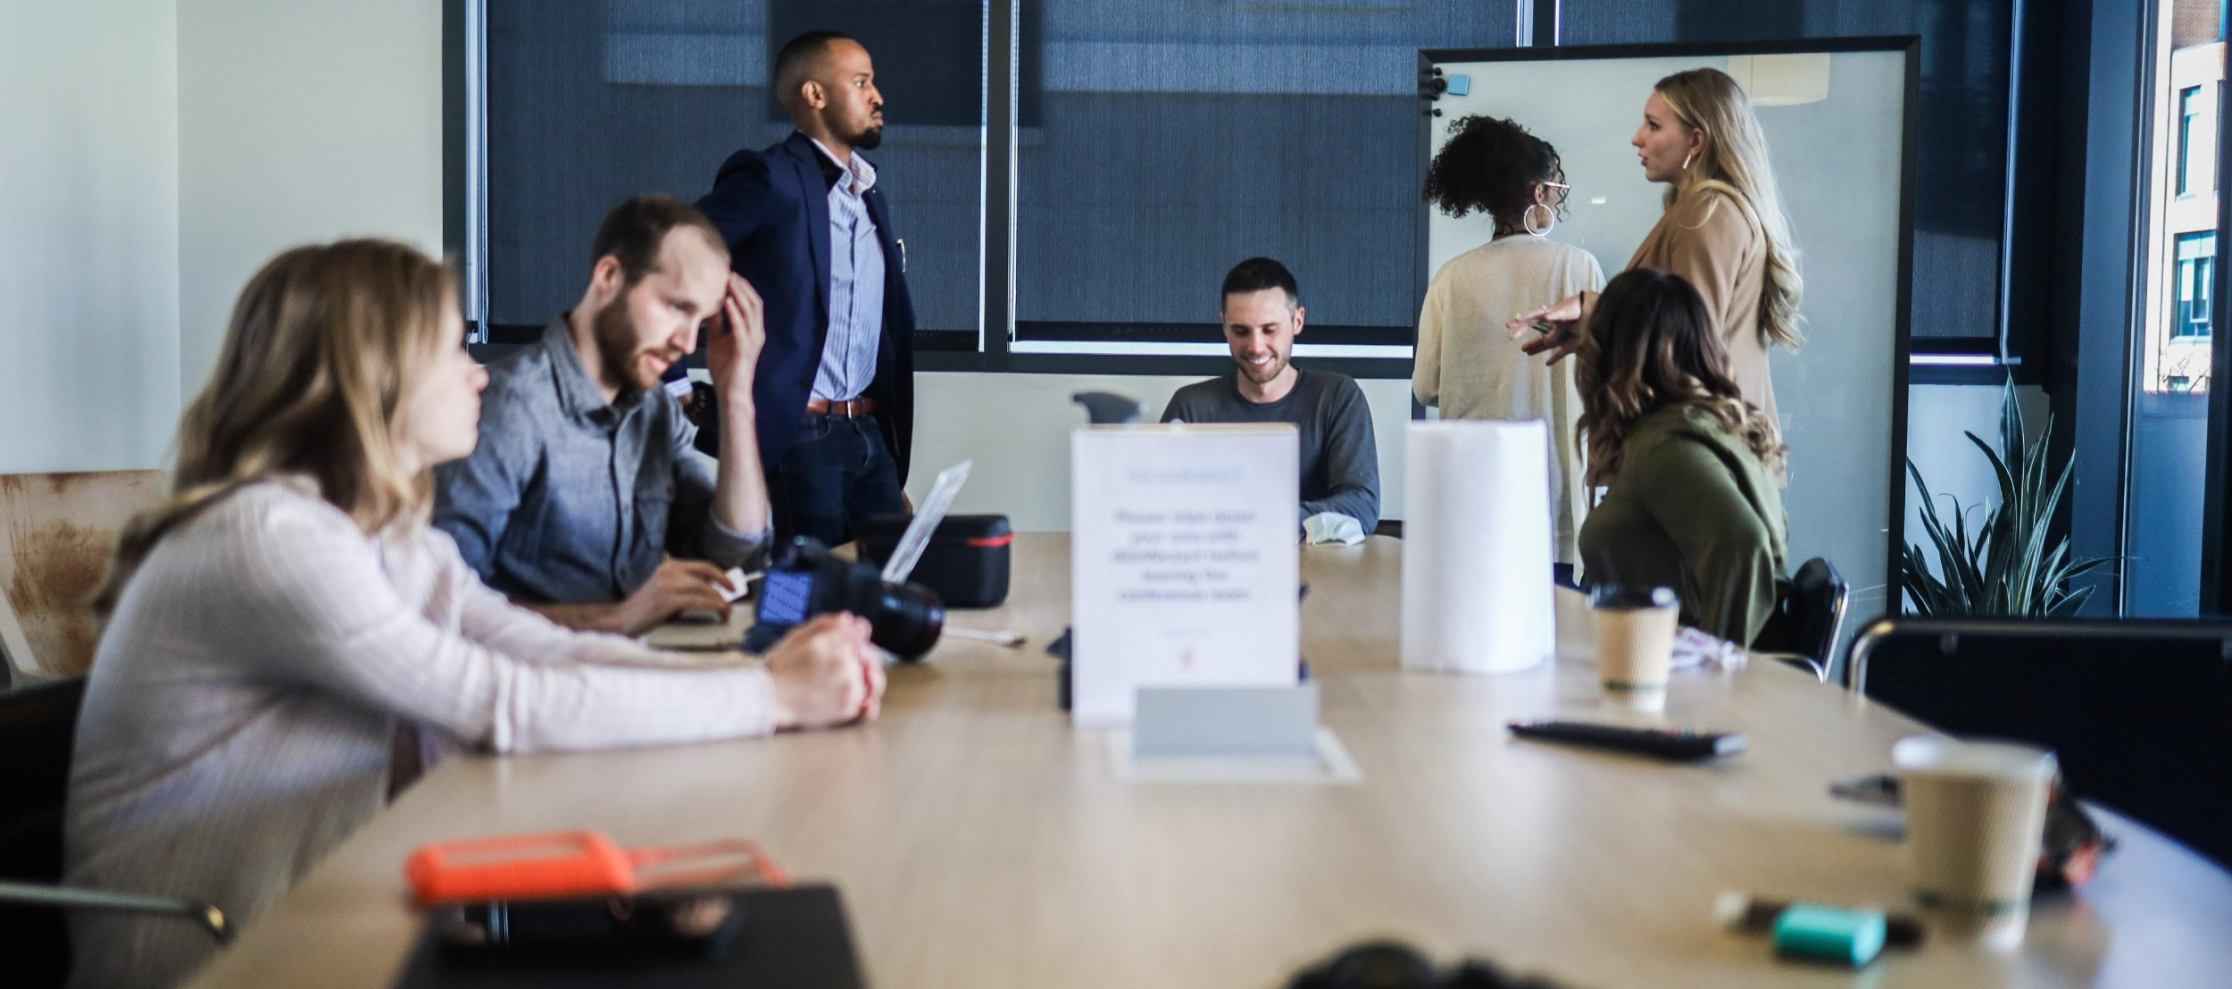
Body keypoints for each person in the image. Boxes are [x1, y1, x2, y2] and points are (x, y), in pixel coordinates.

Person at [64, 240, 885, 989]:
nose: (479, 372)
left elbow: (541, 652)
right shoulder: (270, 536)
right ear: (372, 371)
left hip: (323, 917)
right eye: (453, 348)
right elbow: (503, 702)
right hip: (218, 958)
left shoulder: (381, 536)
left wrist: (762, 684)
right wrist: (770, 699)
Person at [433, 195, 769, 635]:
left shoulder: (656, 411)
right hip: (533, 685)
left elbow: (734, 554)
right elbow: (441, 606)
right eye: (675, 308)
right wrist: (614, 620)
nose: (687, 345)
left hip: (626, 669)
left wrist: (736, 396)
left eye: (701, 324)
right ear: (609, 276)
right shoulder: (510, 408)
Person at [697, 30, 915, 546]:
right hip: (798, 434)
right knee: (799, 593)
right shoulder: (769, 178)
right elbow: (669, 254)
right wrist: (678, 385)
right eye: (861, 82)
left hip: (867, 431)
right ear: (815, 95)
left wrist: (879, 442)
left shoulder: (868, 196)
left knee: (884, 586)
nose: (877, 96)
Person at [1512, 68, 1802, 453]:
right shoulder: (1708, 211)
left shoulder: (1708, 214)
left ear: (1696, 140)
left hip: (1701, 455)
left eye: (1653, 125)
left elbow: (1690, 343)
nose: (1637, 138)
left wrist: (1597, 314)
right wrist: (1593, 321)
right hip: (1710, 452)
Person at [1416, 115, 1604, 569]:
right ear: (1539, 193)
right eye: (1557, 188)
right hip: (1554, 496)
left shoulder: (1451, 278)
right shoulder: (1579, 270)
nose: (1558, 199)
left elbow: (1425, 388)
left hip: (1473, 495)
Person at [1572, 267, 1788, 645]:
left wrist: (1715, 664)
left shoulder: (1665, 446)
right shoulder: (1699, 428)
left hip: (1668, 680)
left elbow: (1743, 543)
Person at [1161, 257, 1380, 535]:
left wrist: (1263, 519)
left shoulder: (1338, 398)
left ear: (1297, 321)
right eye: (1241, 331)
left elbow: (1362, 507)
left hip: (1322, 572)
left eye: (1269, 329)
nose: (1256, 346)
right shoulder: (1190, 407)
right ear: (1223, 326)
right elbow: (1159, 505)